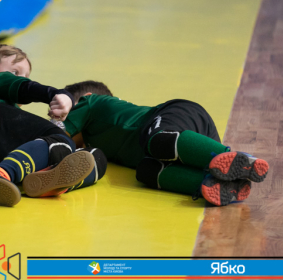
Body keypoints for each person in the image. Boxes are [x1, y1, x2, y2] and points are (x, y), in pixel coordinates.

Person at [61, 80, 269, 206]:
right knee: (146, 171)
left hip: (179, 115)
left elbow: (57, 136)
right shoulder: (96, 145)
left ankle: (238, 159)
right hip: (186, 147)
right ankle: (222, 183)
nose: (63, 119)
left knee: (158, 140)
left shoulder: (91, 103)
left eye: (64, 114)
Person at [0, 44, 107, 207]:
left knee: (95, 157)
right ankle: (2, 174)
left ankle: (30, 180)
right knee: (60, 140)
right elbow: (25, 87)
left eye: (27, 76)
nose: (22, 79)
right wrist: (60, 95)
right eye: (15, 73)